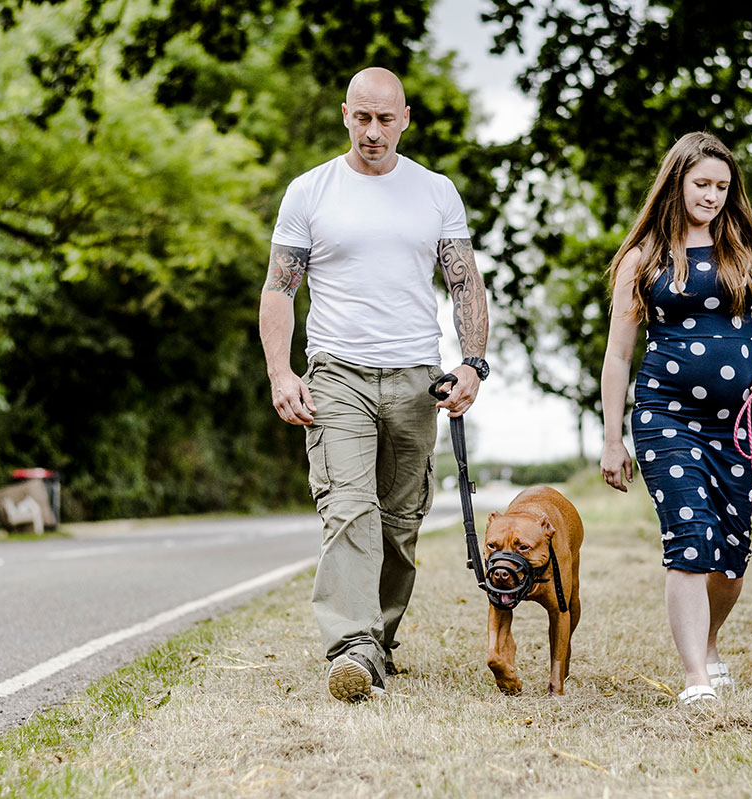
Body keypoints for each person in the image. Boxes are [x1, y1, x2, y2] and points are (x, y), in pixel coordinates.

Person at [259, 66, 490, 702]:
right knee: (348, 509)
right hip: (336, 373)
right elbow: (280, 287)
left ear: (405, 119)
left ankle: (380, 641)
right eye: (361, 117)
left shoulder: (436, 191)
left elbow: (465, 280)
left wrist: (472, 362)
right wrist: (282, 373)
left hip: (417, 377)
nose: (372, 131)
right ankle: (352, 646)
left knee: (400, 521)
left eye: (385, 118)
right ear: (345, 115)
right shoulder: (310, 192)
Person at [599, 132, 752, 706]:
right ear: (676, 182)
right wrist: (612, 440)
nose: (712, 196)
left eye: (723, 187)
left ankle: (706, 645)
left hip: (738, 424)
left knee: (730, 557)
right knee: (689, 540)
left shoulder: (746, 252)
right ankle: (695, 680)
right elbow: (618, 355)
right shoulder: (644, 258)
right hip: (665, 418)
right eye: (701, 184)